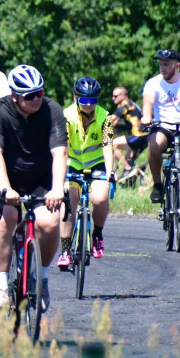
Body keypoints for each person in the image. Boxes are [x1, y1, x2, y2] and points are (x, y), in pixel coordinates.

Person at [0, 64, 68, 311]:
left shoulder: (52, 110)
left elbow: (60, 153)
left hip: (40, 174)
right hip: (5, 175)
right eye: (29, 96)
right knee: (5, 218)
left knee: (50, 221)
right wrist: (5, 189)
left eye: (39, 93)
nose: (36, 99)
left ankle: (41, 278)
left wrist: (57, 188)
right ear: (15, 97)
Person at [141, 48, 180, 242]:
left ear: (177, 66)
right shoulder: (153, 83)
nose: (162, 67)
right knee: (154, 145)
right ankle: (158, 185)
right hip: (164, 128)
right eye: (160, 63)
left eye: (166, 64)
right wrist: (146, 117)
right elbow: (147, 104)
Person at [58, 77, 115, 267]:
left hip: (96, 162)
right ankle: (65, 250)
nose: (89, 104)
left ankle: (97, 234)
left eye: (93, 100)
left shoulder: (104, 116)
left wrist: (110, 173)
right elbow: (64, 147)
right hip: (73, 163)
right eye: (84, 100)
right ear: (76, 98)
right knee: (69, 199)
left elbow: (107, 146)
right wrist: (62, 173)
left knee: (100, 198)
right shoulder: (66, 116)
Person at [110, 86, 147, 178]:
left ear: (123, 95)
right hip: (145, 136)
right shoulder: (131, 104)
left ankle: (127, 169)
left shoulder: (125, 104)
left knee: (110, 145)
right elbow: (115, 122)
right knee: (128, 159)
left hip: (139, 135)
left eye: (115, 96)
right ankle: (133, 175)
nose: (113, 98)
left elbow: (111, 119)